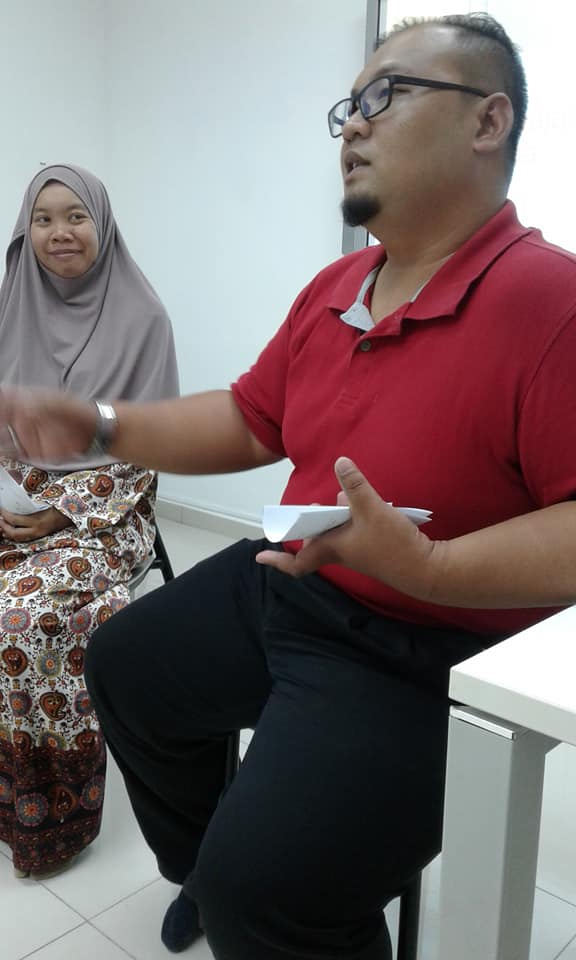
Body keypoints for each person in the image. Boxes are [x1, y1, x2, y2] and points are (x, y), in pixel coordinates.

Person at [0, 12, 574, 958]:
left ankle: (258, 896)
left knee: (265, 897)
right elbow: (248, 418)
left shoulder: (550, 300)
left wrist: (427, 566)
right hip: (291, 581)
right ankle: (207, 868)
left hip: (427, 651)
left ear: (489, 120)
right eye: (349, 106)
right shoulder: (337, 286)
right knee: (126, 667)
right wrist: (101, 424)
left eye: (387, 94)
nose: (355, 123)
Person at [0, 164, 179, 879]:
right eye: (43, 219)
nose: (59, 233)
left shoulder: (144, 318)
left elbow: (151, 445)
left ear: (100, 224)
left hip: (105, 510)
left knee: (24, 617)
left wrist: (59, 511)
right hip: (14, 497)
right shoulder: (11, 304)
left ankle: (51, 814)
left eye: (75, 216)